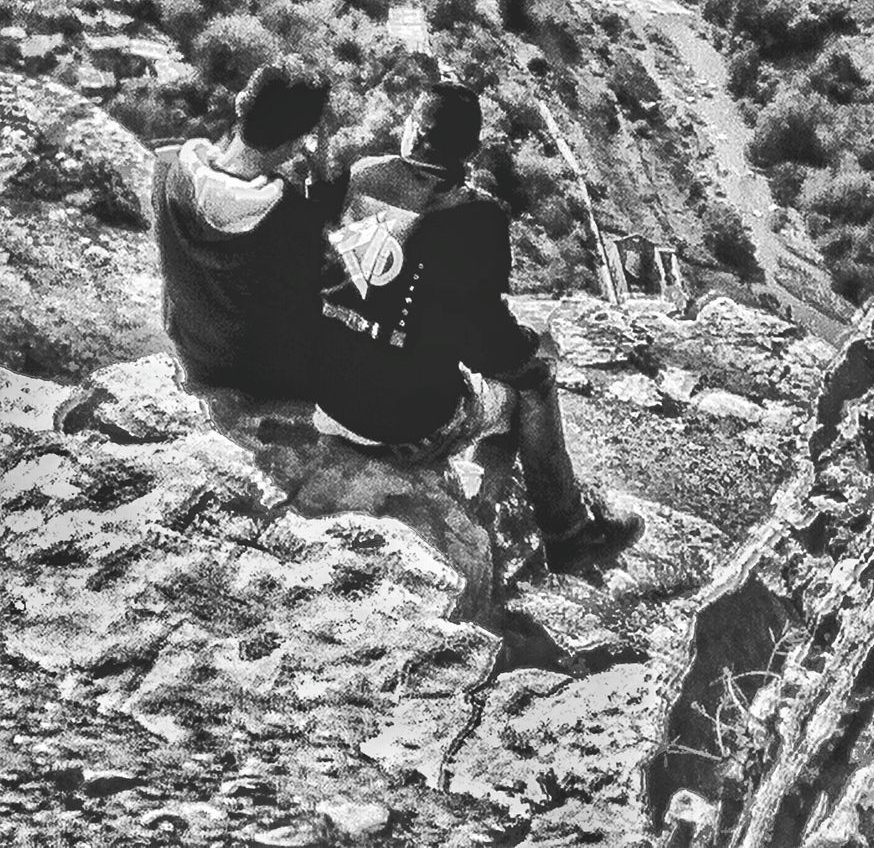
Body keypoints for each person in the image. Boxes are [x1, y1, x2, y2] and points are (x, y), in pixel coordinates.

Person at [312, 81, 642, 571]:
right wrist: (532, 349)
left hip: (324, 394)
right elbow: (491, 346)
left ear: (417, 135)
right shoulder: (478, 214)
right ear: (468, 151)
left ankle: (504, 518)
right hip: (396, 422)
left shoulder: (362, 176)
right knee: (531, 386)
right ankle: (564, 533)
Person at [154, 58, 338, 399]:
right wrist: (320, 183)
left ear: (242, 105)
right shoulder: (290, 215)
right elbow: (313, 287)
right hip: (252, 373)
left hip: (193, 350)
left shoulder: (169, 170)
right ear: (297, 143)